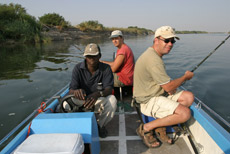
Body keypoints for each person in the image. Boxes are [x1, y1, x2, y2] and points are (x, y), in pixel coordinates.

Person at [133, 26, 194, 148]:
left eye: (173, 41)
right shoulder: (153, 59)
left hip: (156, 93)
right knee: (185, 114)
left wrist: (171, 86)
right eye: (166, 40)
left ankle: (160, 125)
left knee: (188, 97)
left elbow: (164, 84)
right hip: (147, 100)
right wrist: (185, 77)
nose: (170, 44)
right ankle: (146, 128)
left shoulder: (153, 54)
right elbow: (168, 87)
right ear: (156, 40)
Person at [69, 43, 117, 138]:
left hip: (98, 98)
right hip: (82, 100)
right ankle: (76, 125)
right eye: (89, 56)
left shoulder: (106, 68)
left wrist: (97, 94)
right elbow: (71, 90)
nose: (91, 59)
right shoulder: (77, 68)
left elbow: (109, 88)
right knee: (66, 105)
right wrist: (76, 92)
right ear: (85, 57)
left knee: (112, 101)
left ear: (99, 56)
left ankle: (100, 125)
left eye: (94, 56)